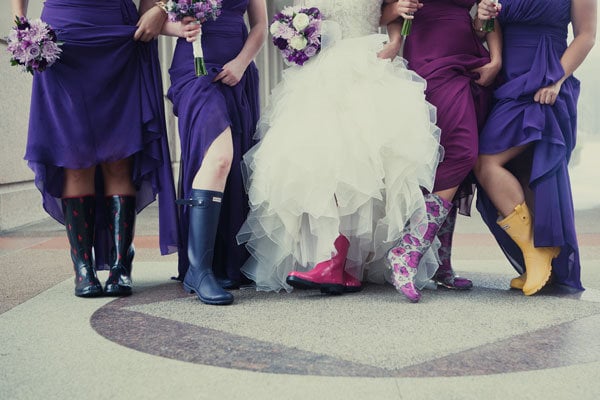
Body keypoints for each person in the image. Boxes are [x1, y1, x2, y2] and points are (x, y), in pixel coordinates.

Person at [237, 0, 444, 301]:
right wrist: (297, 39)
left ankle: (334, 262)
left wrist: (395, 42)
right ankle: (340, 267)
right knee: (321, 161)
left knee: (353, 162)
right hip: (321, 73)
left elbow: (390, 11)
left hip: (366, 64)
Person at [11, 0, 178, 298]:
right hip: (63, 40)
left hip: (120, 35)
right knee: (74, 157)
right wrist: (21, 23)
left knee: (120, 155)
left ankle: (120, 263)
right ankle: (83, 267)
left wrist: (160, 9)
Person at [380, 0, 502, 298]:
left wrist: (496, 57)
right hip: (430, 58)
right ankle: (408, 249)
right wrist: (397, 17)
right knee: (461, 152)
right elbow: (384, 13)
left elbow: (484, 20)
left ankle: (441, 263)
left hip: (471, 57)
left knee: (450, 158)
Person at [474, 0, 596, 295]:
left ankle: (538, 253)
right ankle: (539, 254)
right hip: (509, 79)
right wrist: (482, 18)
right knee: (516, 166)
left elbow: (586, 35)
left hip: (548, 77)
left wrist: (556, 80)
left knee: (493, 162)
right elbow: (485, 30)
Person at [161, 0, 267, 305]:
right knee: (219, 157)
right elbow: (149, 18)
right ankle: (199, 270)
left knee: (231, 163)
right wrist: (178, 28)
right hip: (193, 70)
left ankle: (223, 263)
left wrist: (242, 63)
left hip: (237, 69)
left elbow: (259, 24)